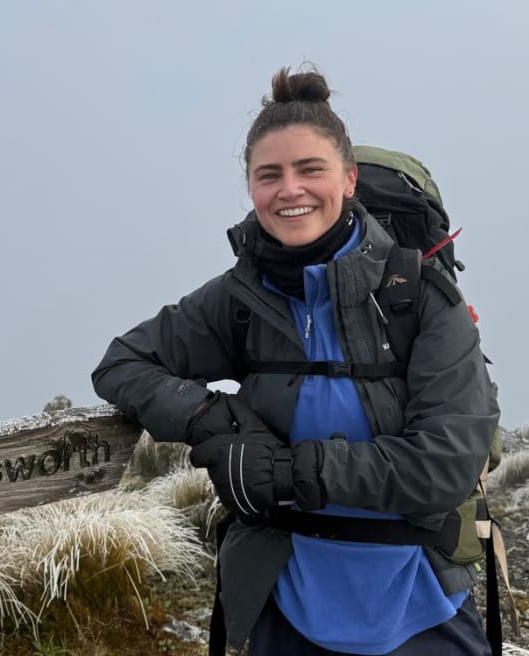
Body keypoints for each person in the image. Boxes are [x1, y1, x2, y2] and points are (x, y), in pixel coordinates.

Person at [91, 66, 499, 656]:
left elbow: (445, 466)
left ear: (349, 179)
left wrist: (285, 471)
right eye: (269, 175)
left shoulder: (421, 298)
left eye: (310, 170)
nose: (290, 190)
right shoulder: (238, 299)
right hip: (284, 606)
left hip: (418, 605)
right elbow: (122, 363)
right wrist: (211, 418)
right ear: (251, 188)